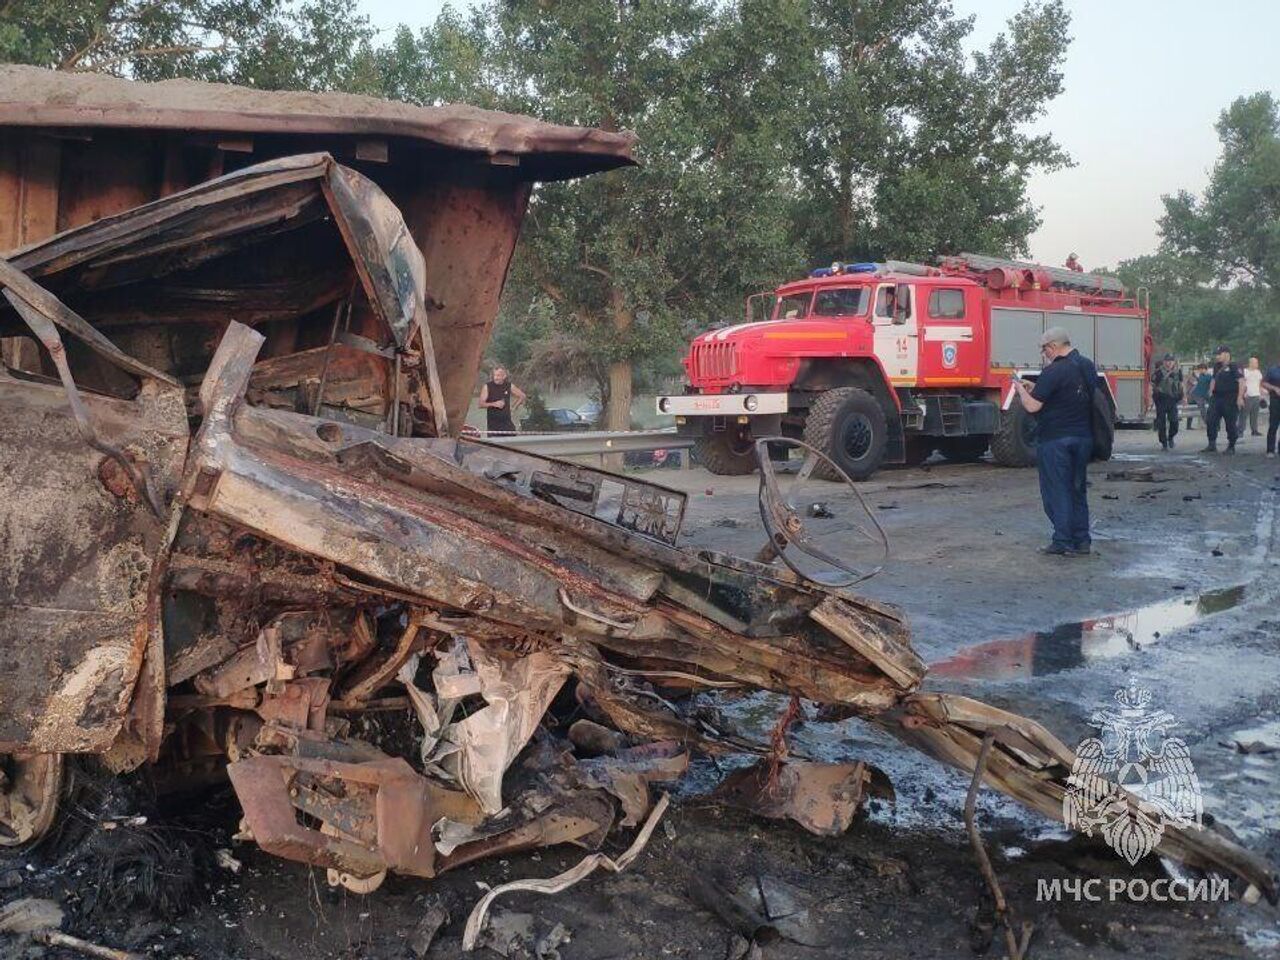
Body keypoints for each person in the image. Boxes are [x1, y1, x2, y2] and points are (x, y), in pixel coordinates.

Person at [1012, 327, 1096, 556]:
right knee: (1077, 489)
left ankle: (1062, 541)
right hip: (1083, 438)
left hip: (1056, 439)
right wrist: (1036, 389)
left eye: (1044, 349)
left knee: (1057, 490)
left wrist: (1021, 390)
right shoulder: (1087, 365)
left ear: (1053, 346)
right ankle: (1082, 540)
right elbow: (1068, 394)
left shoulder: (1054, 371)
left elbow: (1032, 406)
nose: (1044, 354)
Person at [1202, 345, 1245, 454]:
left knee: (1230, 422)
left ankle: (1231, 446)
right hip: (1217, 397)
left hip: (1230, 398)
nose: (1217, 357)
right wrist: (1211, 391)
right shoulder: (1217, 366)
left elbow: (1241, 381)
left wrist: (1240, 397)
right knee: (1211, 420)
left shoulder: (1235, 366)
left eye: (1219, 354)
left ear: (1227, 354)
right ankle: (1211, 444)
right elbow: (1214, 379)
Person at [478, 366, 525, 436]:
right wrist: (494, 404)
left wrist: (514, 408)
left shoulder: (509, 386)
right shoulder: (487, 386)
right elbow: (480, 404)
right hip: (493, 425)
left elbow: (522, 396)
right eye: (494, 375)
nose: (495, 378)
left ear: (504, 376)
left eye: (498, 375)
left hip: (507, 424)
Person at [1151, 353, 1184, 450]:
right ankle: (1164, 443)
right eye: (1167, 361)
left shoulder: (1178, 372)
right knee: (1161, 423)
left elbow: (1181, 384)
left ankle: (1170, 437)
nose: (1169, 363)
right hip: (1161, 400)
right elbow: (1152, 385)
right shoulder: (1158, 372)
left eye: (1171, 361)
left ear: (1174, 362)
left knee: (1174, 421)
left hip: (1173, 399)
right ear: (1164, 362)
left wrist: (1184, 396)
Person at [1239, 356, 1264, 437]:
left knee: (1255, 414)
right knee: (1244, 414)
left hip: (1256, 395)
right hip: (1247, 395)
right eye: (1255, 362)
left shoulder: (1258, 372)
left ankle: (1254, 430)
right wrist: (1243, 394)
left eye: (1257, 362)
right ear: (1251, 363)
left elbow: (1259, 384)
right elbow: (1242, 383)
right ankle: (1240, 430)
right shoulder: (1245, 372)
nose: (1257, 364)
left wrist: (1261, 394)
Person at [1264, 358, 1280, 457]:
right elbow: (1264, 383)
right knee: (1273, 425)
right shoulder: (1272, 370)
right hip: (1275, 401)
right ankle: (1270, 450)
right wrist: (1274, 388)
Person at [1189, 363, 1212, 430]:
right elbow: (1196, 383)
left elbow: (1210, 385)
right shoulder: (1200, 376)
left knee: (1211, 407)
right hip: (1197, 395)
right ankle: (1207, 423)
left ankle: (1211, 422)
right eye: (1199, 369)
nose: (1200, 371)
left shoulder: (1209, 377)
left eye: (1201, 369)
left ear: (1205, 369)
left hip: (1205, 394)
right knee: (1202, 408)